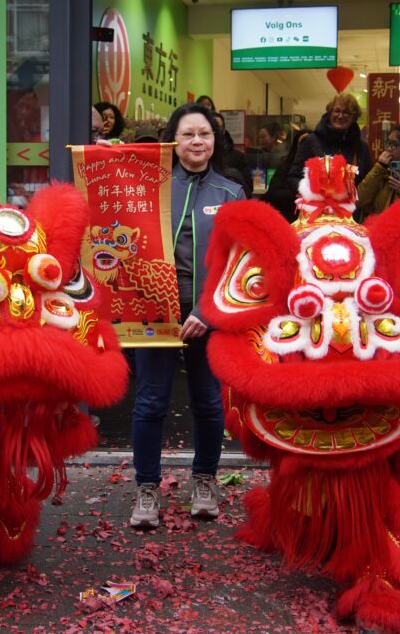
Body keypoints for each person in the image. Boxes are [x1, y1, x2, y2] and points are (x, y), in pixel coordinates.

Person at [130, 102, 245, 529]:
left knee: (208, 401)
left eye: (205, 134)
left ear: (215, 140)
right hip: (154, 309)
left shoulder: (231, 193)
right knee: (150, 401)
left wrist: (207, 311)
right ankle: (146, 489)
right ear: (173, 141)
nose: (197, 141)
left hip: (207, 312)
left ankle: (204, 481)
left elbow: (239, 264)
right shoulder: (150, 188)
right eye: (188, 134)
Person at [276, 94, 372, 213]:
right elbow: (293, 176)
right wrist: (313, 195)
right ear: (330, 113)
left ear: (354, 117)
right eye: (337, 111)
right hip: (315, 214)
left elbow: (368, 183)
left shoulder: (361, 147)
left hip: (351, 215)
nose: (340, 116)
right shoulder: (311, 141)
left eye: (346, 112)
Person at [265, 128, 311, 222]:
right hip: (290, 218)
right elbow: (273, 193)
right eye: (302, 144)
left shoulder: (325, 167)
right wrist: (301, 195)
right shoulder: (286, 166)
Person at [212, 112, 253, 197]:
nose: (214, 131)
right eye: (211, 126)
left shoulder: (237, 157)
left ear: (223, 130)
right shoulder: (196, 156)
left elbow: (247, 189)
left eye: (218, 126)